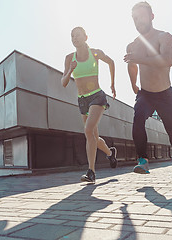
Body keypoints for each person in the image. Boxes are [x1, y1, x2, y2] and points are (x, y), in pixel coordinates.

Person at [124, 2, 172, 177]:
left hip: (165, 94)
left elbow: (167, 60)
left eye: (141, 17)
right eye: (135, 18)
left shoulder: (164, 37)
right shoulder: (133, 45)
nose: (138, 21)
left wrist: (140, 58)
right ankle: (142, 161)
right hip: (146, 94)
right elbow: (132, 65)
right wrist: (133, 83)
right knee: (137, 119)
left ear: (151, 16)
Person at [61, 26, 117, 183]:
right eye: (72, 36)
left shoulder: (95, 53)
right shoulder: (69, 58)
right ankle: (110, 154)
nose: (74, 38)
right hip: (82, 100)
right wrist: (70, 71)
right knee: (94, 137)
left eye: (77, 35)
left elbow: (111, 62)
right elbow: (63, 82)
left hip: (97, 97)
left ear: (86, 37)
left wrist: (112, 84)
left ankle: (91, 172)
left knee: (88, 130)